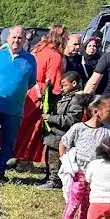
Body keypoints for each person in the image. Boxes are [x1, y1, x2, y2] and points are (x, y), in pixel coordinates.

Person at [55, 95, 110, 219]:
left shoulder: (109, 132)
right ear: (96, 112)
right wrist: (66, 163)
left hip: (96, 179)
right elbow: (63, 143)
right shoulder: (79, 128)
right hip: (79, 176)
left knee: (87, 208)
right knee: (72, 205)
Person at [0, 25, 37, 181]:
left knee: (8, 142)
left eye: (20, 38)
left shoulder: (30, 60)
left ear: (25, 40)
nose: (16, 40)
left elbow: (31, 83)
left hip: (14, 109)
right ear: (8, 38)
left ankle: (0, 169)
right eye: (14, 37)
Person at [13, 24, 67, 167]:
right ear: (61, 38)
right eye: (66, 38)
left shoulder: (39, 49)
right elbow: (52, 81)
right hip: (42, 95)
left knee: (23, 125)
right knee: (35, 129)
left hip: (30, 90)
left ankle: (16, 156)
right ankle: (24, 160)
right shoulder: (54, 55)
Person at [40, 71, 85, 189]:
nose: (62, 88)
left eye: (65, 85)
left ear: (74, 83)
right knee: (49, 156)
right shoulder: (64, 96)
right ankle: (49, 176)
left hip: (62, 135)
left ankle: (56, 180)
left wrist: (52, 118)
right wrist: (48, 88)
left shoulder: (77, 100)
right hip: (54, 133)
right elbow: (51, 102)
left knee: (56, 158)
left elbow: (72, 119)